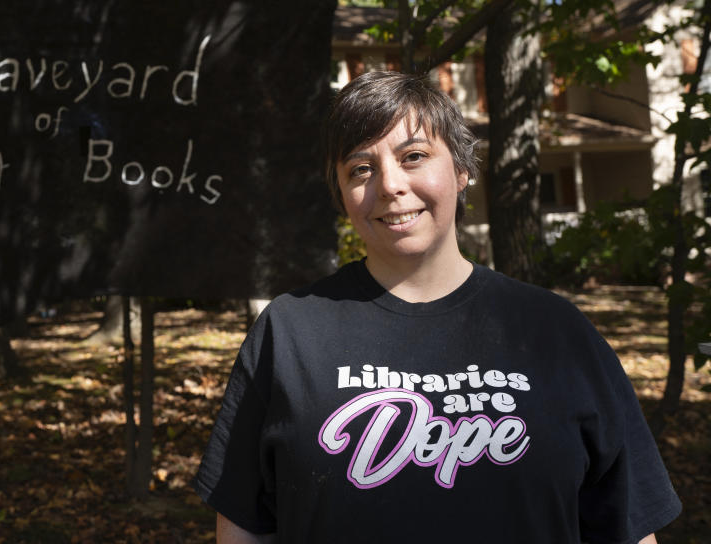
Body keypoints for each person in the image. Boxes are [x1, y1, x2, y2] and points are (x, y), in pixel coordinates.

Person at [192, 71, 681, 543]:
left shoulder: (557, 332)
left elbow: (626, 524)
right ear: (342, 195)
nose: (389, 185)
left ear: (462, 169)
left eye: (414, 155)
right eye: (361, 168)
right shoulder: (290, 332)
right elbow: (245, 524)